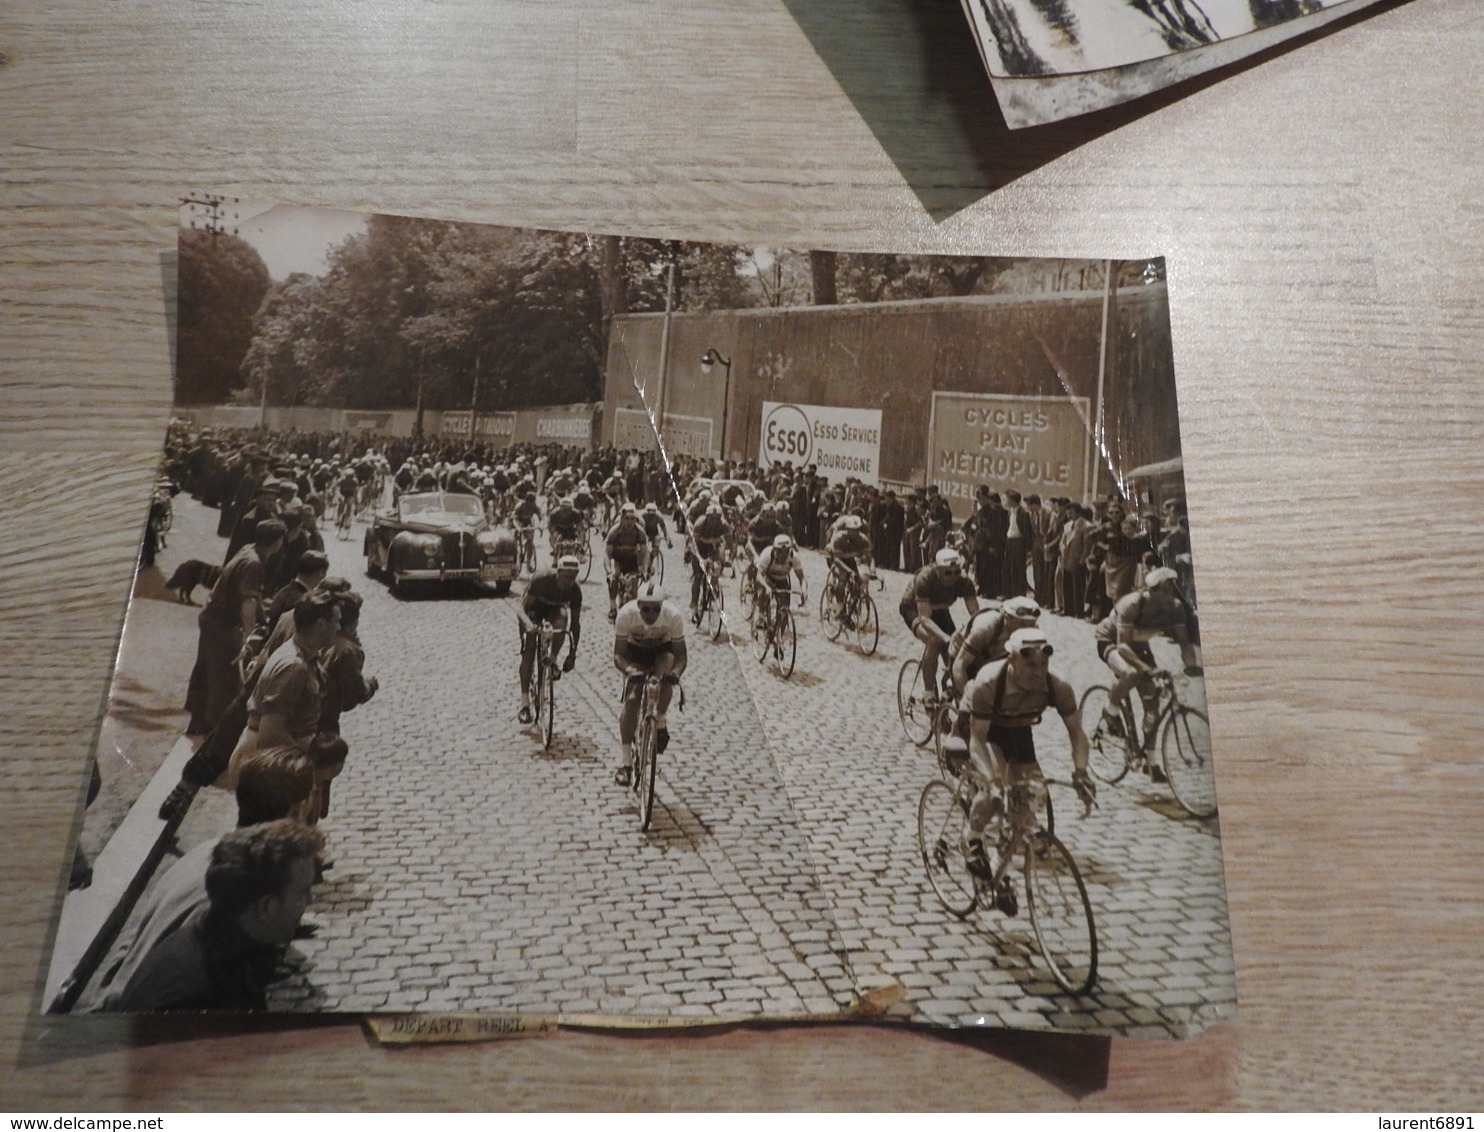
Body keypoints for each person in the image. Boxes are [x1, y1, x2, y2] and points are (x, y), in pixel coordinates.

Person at [80, 819, 324, 1013]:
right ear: (266, 908)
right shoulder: (202, 993)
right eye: (303, 893)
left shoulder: (221, 944)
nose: (310, 901)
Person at [958, 628, 1095, 913]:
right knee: (993, 793)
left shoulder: (1058, 685)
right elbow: (977, 741)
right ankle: (971, 839)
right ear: (1011, 660)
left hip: (1018, 730)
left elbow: (1077, 733)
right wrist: (993, 781)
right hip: (982, 730)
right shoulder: (988, 683)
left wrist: (1081, 772)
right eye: (1030, 664)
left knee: (1031, 801)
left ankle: (998, 872)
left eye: (1043, 664)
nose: (1038, 671)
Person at [224, 590, 340, 790]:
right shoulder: (294, 667)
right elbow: (270, 733)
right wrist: (310, 763)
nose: (339, 627)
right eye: (336, 621)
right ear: (321, 625)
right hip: (272, 770)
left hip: (277, 764)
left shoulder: (303, 655)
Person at [185, 518, 285, 736]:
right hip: (222, 622)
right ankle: (216, 729)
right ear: (277, 542)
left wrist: (262, 616)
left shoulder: (248, 550)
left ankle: (197, 721)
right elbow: (247, 603)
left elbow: (253, 596)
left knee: (205, 668)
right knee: (225, 677)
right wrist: (250, 639)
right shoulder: (254, 564)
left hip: (211, 617)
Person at [1093, 566, 1201, 769]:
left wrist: (1192, 667)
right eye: (1166, 590)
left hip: (1139, 645)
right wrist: (1146, 668)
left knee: (1153, 704)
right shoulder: (1131, 604)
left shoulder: (1176, 608)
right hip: (1111, 640)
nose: (1171, 595)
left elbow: (1185, 644)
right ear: (1152, 590)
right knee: (1131, 672)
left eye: (1173, 589)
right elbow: (1123, 647)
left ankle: (1150, 762)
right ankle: (1110, 711)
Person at [612, 581, 687, 785]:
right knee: (634, 697)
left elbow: (681, 657)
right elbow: (618, 655)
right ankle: (626, 763)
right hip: (634, 652)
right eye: (645, 608)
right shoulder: (626, 615)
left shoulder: (673, 616)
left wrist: (675, 674)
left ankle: (660, 721)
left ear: (662, 607)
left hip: (662, 650)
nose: (651, 614)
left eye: (656, 609)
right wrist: (629, 670)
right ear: (638, 605)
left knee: (664, 681)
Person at [898, 547, 981, 706]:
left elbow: (976, 614)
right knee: (935, 641)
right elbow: (924, 618)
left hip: (940, 610)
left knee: (957, 652)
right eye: (947, 573)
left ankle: (949, 687)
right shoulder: (925, 578)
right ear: (937, 569)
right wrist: (945, 638)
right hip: (914, 609)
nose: (953, 577)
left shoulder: (964, 581)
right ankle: (928, 693)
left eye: (956, 572)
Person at [516, 554, 583, 723]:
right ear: (557, 572)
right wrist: (529, 625)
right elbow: (521, 610)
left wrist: (572, 654)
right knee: (530, 649)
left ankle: (552, 660)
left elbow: (575, 624)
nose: (568, 581)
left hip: (553, 611)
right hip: (532, 611)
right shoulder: (541, 580)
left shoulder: (575, 591)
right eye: (565, 576)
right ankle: (524, 704)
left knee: (562, 619)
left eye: (572, 577)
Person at [946, 595, 1042, 699]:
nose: (1027, 630)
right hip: (967, 659)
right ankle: (953, 690)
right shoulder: (986, 627)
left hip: (994, 658)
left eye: (1031, 625)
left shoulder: (1033, 631)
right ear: (1007, 618)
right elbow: (960, 665)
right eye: (1022, 624)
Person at [604, 502, 651, 619]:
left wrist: (645, 570)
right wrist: (609, 571)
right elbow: (607, 553)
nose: (629, 522)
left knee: (634, 589)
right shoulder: (614, 531)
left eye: (632, 519)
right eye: (627, 519)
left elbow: (645, 553)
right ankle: (613, 607)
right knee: (614, 577)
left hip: (631, 559)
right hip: (617, 558)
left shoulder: (639, 531)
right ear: (622, 518)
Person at [687, 502, 730, 617]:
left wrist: (728, 557)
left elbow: (730, 542)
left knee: (718, 565)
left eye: (717, 518)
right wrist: (700, 558)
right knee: (698, 575)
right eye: (711, 518)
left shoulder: (724, 525)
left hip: (713, 549)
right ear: (706, 517)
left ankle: (713, 585)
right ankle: (694, 604)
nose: (714, 521)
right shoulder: (699, 524)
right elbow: (693, 544)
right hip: (699, 548)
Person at [753, 533, 805, 626]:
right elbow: (758, 576)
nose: (783, 555)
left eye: (786, 551)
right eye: (780, 551)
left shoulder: (794, 557)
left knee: (784, 609)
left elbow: (801, 577)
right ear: (774, 549)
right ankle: (760, 615)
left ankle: (779, 632)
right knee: (765, 590)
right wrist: (767, 587)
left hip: (782, 579)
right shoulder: (767, 554)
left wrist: (804, 590)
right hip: (768, 577)